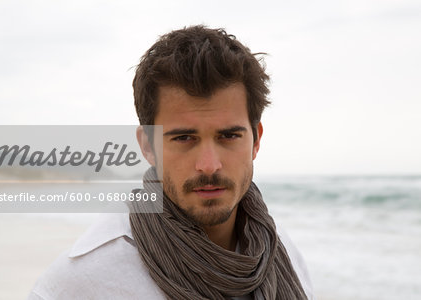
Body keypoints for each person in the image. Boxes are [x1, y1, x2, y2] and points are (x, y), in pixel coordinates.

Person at [28, 25, 314, 300]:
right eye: (184, 138)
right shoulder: (82, 283)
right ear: (148, 146)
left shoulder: (281, 254)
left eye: (228, 135)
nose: (209, 165)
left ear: (255, 140)